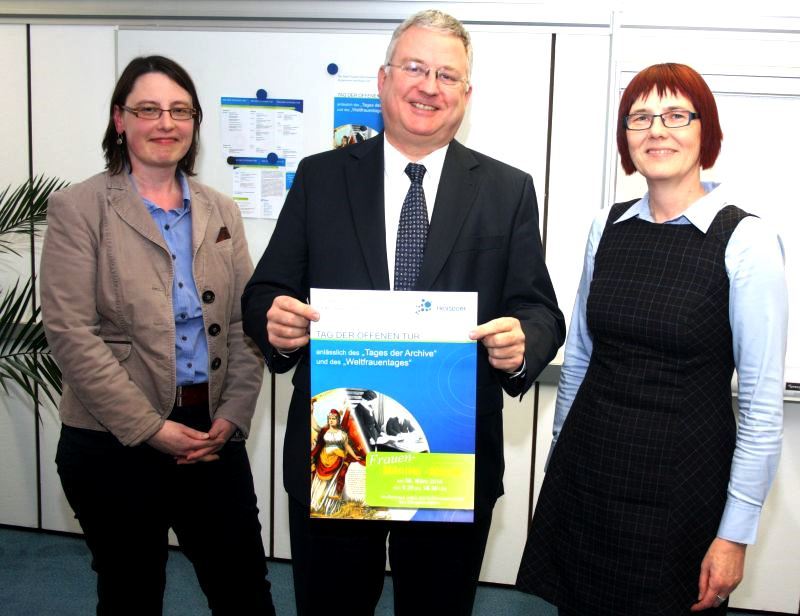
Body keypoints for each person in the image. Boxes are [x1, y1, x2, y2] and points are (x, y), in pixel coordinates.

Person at [241, 9, 565, 616]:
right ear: (385, 79)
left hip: (448, 453)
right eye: (415, 68)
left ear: (466, 94)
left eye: (447, 75)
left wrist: (525, 340)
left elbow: (539, 307)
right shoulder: (320, 178)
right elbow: (265, 290)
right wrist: (276, 326)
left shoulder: (506, 189)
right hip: (336, 450)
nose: (429, 86)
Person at [516, 63, 787, 616]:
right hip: (589, 474)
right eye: (640, 117)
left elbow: (761, 405)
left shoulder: (747, 240)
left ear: (704, 132)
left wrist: (735, 534)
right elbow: (582, 360)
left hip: (682, 488)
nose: (656, 130)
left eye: (675, 115)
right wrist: (557, 461)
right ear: (625, 139)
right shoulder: (605, 227)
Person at [40, 55, 275, 616]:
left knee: (245, 588)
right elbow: (71, 333)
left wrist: (234, 416)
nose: (164, 122)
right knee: (131, 591)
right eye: (148, 109)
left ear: (194, 123)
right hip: (112, 441)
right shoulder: (80, 207)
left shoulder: (220, 209)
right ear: (120, 120)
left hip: (211, 436)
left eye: (179, 110)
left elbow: (245, 322)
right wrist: (149, 429)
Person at [310, 409, 362, 515]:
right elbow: (315, 426)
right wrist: (310, 413)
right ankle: (316, 504)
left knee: (331, 484)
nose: (331, 420)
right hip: (323, 460)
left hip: (336, 461)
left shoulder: (342, 434)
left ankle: (328, 506)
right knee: (320, 483)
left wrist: (354, 456)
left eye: (333, 419)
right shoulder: (324, 431)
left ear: (338, 420)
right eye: (330, 418)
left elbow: (347, 446)